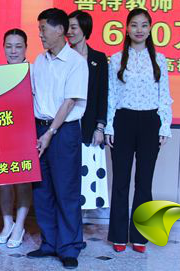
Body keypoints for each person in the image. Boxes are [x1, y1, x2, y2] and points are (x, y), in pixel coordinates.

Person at [105, 8, 173, 253]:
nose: (139, 30)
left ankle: (140, 237)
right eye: (134, 25)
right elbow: (111, 95)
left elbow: (164, 95)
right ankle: (118, 235)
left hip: (150, 122)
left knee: (144, 182)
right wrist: (109, 125)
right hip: (123, 121)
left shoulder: (159, 60)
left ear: (151, 29)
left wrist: (164, 125)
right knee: (121, 182)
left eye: (144, 25)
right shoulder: (115, 59)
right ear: (126, 28)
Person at [27, 8, 87, 270]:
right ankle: (49, 243)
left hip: (63, 133)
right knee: (42, 190)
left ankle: (69, 247)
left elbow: (69, 101)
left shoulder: (76, 62)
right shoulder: (39, 61)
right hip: (39, 129)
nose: (40, 34)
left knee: (66, 191)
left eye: (43, 29)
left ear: (60, 30)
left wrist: (50, 132)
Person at [67, 11, 110, 217]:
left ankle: (81, 222)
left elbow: (103, 94)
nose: (69, 32)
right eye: (67, 27)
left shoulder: (98, 59)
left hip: (90, 126)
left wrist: (100, 126)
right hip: (67, 124)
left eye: (74, 27)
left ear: (85, 29)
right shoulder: (63, 58)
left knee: (87, 175)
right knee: (68, 176)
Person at [0, 28, 32, 248]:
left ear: (26, 48)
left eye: (18, 46)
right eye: (9, 46)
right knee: (4, 182)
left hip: (26, 135)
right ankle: (7, 223)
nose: (13, 51)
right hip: (3, 136)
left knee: (23, 182)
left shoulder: (33, 72)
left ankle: (20, 225)